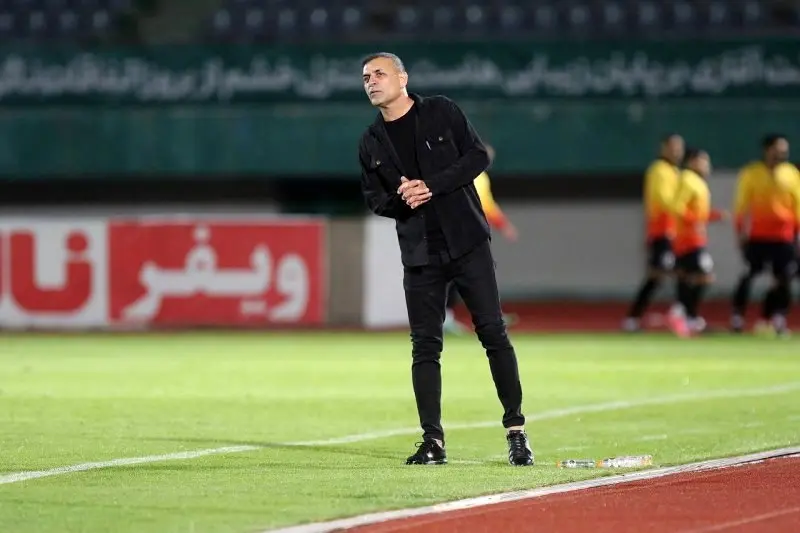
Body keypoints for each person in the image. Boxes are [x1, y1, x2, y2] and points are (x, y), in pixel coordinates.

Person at [357, 52, 533, 466]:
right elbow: (375, 199)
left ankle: (516, 432)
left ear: (403, 78)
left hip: (467, 242)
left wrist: (431, 186)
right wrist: (403, 199)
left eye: (380, 74)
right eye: (366, 77)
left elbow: (477, 157)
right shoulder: (370, 141)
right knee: (425, 346)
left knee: (493, 333)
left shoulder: (440, 111)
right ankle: (432, 441)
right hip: (420, 254)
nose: (372, 82)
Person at [444, 144, 519, 335]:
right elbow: (485, 206)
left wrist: (503, 225)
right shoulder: (469, 175)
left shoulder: (477, 176)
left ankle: (485, 316)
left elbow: (487, 206)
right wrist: (504, 226)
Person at [730, 134, 800, 336]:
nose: (782, 153)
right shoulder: (751, 173)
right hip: (758, 236)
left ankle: (778, 318)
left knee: (784, 277)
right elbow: (741, 206)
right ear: (767, 150)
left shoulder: (792, 174)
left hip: (784, 237)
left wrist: (798, 235)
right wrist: (740, 232)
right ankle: (737, 317)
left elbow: (797, 206)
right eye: (778, 149)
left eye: (784, 150)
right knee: (748, 275)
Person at [622, 134, 685, 332]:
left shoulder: (675, 172)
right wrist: (687, 212)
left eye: (679, 147)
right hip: (662, 232)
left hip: (674, 232)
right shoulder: (659, 170)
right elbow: (663, 200)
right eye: (673, 147)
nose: (677, 151)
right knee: (659, 275)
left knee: (677, 272)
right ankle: (633, 319)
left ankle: (681, 314)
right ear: (663, 148)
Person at [666, 148, 728, 337]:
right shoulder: (687, 179)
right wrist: (695, 222)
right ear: (692, 161)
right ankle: (680, 311)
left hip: (695, 237)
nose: (707, 165)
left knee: (686, 277)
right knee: (704, 275)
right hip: (688, 239)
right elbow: (677, 207)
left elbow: (697, 212)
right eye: (703, 161)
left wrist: (714, 216)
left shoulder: (698, 182)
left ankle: (689, 318)